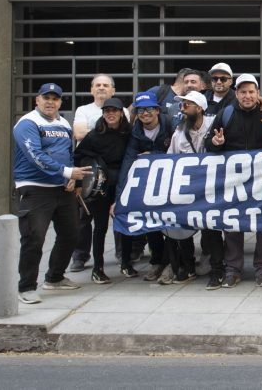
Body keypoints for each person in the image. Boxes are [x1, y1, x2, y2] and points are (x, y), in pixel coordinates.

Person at [13, 83, 91, 304]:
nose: (50, 102)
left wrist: (69, 179)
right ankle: (26, 287)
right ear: (37, 100)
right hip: (35, 189)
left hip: (62, 189)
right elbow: (34, 155)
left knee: (71, 234)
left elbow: (68, 153)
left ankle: (55, 277)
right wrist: (67, 172)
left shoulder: (64, 123)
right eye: (46, 97)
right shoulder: (27, 123)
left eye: (55, 98)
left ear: (59, 102)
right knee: (33, 238)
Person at [204, 73, 262, 289]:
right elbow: (209, 143)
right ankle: (233, 269)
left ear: (258, 93)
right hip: (233, 180)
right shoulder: (226, 113)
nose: (247, 96)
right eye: (243, 92)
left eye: (251, 91)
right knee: (233, 224)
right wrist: (216, 142)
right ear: (236, 93)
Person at [72, 97, 130, 285]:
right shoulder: (94, 135)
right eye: (107, 111)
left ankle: (126, 262)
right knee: (100, 226)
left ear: (121, 113)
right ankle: (98, 268)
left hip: (122, 184)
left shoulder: (128, 133)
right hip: (100, 186)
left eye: (114, 110)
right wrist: (81, 184)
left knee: (124, 224)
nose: (110, 114)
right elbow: (79, 156)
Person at [69, 75, 122, 272]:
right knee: (85, 218)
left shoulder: (123, 110)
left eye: (105, 85)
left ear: (113, 90)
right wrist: (106, 128)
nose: (101, 88)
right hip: (91, 172)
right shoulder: (83, 110)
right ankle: (80, 256)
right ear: (91, 90)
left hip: (114, 174)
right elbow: (79, 134)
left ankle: (122, 254)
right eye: (97, 85)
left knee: (118, 215)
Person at [117, 91, 170, 281]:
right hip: (150, 185)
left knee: (172, 224)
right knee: (152, 222)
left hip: (172, 182)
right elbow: (128, 163)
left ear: (157, 110)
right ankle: (157, 261)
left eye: (149, 109)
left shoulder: (170, 124)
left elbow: (178, 153)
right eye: (140, 110)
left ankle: (172, 262)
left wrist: (153, 154)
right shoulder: (135, 132)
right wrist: (120, 197)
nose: (145, 113)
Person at [161, 90, 212, 285]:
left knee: (211, 227)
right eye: (181, 105)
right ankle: (186, 266)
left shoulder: (213, 125)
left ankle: (213, 262)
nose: (182, 109)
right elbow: (169, 158)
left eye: (186, 105)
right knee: (182, 225)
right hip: (186, 187)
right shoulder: (179, 132)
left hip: (209, 187)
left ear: (199, 108)